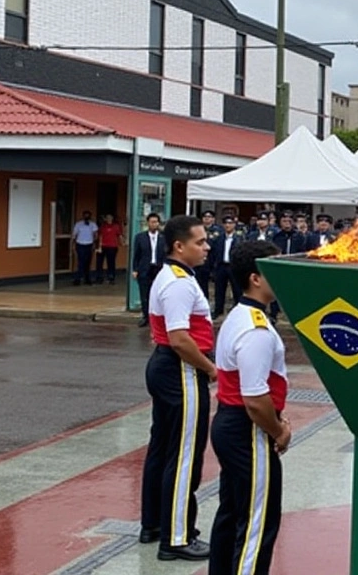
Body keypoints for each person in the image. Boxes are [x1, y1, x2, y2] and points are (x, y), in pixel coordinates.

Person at [209, 239, 290, 575]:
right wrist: (279, 431)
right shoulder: (256, 329)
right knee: (258, 522)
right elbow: (255, 400)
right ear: (255, 278)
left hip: (233, 425)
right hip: (247, 429)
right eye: (275, 269)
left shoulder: (239, 316)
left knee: (232, 513)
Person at [139, 215, 214, 561]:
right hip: (180, 369)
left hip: (167, 366)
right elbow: (180, 339)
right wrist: (211, 369)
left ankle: (155, 523)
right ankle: (178, 535)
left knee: (163, 448)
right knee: (185, 454)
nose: (206, 247)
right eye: (200, 242)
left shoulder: (173, 276)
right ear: (179, 246)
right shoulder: (179, 283)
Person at [132, 213, 165, 327]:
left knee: (158, 294)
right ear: (147, 223)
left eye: (156, 222)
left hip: (159, 268)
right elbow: (136, 254)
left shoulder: (163, 237)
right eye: (152, 222)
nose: (154, 224)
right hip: (145, 268)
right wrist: (135, 269)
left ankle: (157, 317)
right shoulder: (140, 237)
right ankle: (146, 316)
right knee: (145, 293)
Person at [208, 215, 243, 317]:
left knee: (237, 289)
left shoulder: (239, 238)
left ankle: (238, 310)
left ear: (234, 225)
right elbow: (214, 253)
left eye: (230, 223)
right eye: (226, 223)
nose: (228, 225)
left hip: (233, 266)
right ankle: (218, 310)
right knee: (219, 289)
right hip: (221, 266)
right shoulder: (219, 238)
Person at [95, 212, 124, 285]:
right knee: (99, 263)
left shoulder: (116, 226)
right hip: (103, 246)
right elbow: (100, 236)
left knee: (111, 263)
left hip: (112, 246)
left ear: (112, 218)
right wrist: (99, 247)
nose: (108, 219)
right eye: (107, 218)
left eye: (109, 218)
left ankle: (111, 277)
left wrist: (122, 242)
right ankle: (99, 277)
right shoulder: (103, 226)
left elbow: (119, 235)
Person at [71, 210, 98, 286]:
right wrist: (73, 245)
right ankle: (77, 279)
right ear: (83, 216)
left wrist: (94, 243)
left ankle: (87, 279)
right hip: (80, 245)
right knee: (80, 263)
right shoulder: (78, 224)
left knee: (88, 263)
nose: (86, 217)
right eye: (85, 215)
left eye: (88, 215)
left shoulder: (92, 224)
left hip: (89, 245)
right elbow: (74, 235)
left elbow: (95, 235)